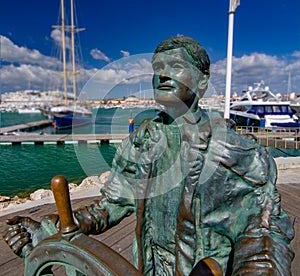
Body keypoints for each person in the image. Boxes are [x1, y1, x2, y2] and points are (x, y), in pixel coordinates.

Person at [4, 36, 294, 275]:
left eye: (177, 66)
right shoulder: (141, 143)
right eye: (158, 68)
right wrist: (46, 229)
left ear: (202, 81)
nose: (163, 74)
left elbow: (262, 240)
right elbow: (109, 206)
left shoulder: (240, 155)